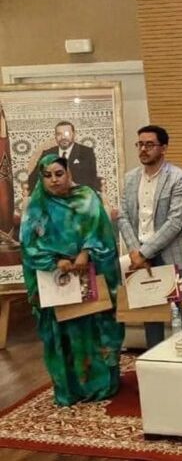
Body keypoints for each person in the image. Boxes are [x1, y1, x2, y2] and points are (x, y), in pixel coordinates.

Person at [20, 154, 124, 406]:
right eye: (47, 176)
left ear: (69, 173)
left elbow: (101, 232)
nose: (54, 180)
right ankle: (70, 388)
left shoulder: (87, 197)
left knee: (93, 328)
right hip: (56, 280)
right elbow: (29, 246)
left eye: (59, 174)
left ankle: (101, 385)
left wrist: (85, 253)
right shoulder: (36, 206)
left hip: (89, 274)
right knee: (64, 334)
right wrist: (56, 261)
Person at [117, 125, 182, 348]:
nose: (143, 149)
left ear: (163, 148)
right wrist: (134, 251)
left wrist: (143, 252)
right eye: (140, 144)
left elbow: (175, 222)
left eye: (149, 144)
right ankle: (154, 358)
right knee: (151, 317)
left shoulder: (179, 178)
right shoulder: (130, 178)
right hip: (140, 257)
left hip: (172, 255)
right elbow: (123, 216)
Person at [28, 121, 100, 192]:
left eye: (67, 133)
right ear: (55, 137)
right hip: (53, 195)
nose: (63, 137)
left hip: (77, 195)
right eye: (59, 134)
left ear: (74, 134)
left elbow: (91, 180)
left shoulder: (86, 152)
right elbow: (33, 178)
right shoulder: (47, 153)